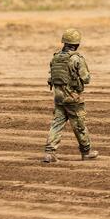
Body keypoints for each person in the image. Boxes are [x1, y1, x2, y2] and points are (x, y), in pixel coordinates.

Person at [43, 28, 98, 163]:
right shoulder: (76, 59)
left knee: (57, 124)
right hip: (72, 97)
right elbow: (86, 79)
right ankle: (86, 151)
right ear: (77, 44)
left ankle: (50, 153)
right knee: (79, 124)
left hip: (58, 97)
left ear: (64, 42)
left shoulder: (55, 57)